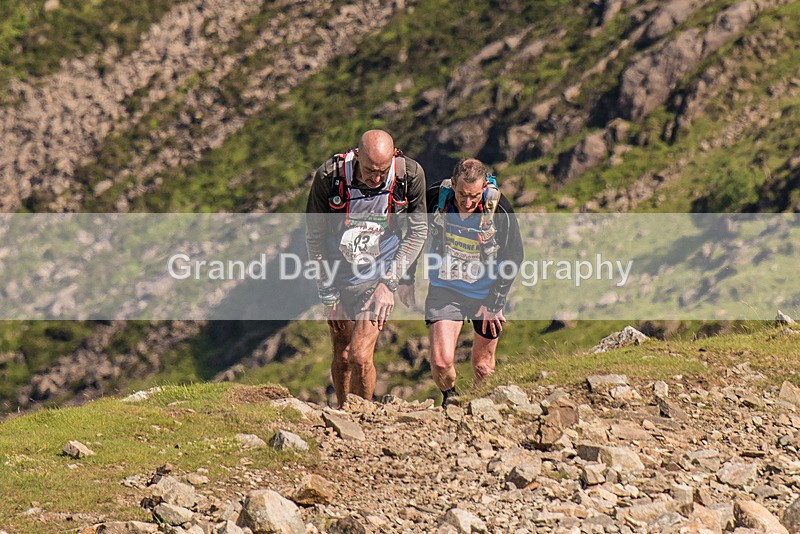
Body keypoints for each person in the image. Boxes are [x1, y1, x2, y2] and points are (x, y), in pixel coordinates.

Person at [305, 130, 427, 407]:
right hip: (339, 273)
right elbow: (315, 236)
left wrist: (390, 282)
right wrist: (328, 294)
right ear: (357, 155)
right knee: (342, 353)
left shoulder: (409, 175)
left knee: (360, 356)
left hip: (379, 275)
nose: (376, 178)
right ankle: (345, 412)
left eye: (383, 170)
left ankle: (365, 415)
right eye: (370, 170)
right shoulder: (329, 177)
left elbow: (418, 231)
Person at [398, 158, 523, 405]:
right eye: (462, 194)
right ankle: (451, 401)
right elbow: (416, 235)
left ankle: (480, 408)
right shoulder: (436, 197)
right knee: (441, 362)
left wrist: (495, 302)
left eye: (474, 196)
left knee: (483, 367)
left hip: (486, 293)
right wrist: (406, 277)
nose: (467, 202)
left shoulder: (499, 207)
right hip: (446, 288)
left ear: (485, 187)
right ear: (453, 184)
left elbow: (514, 256)